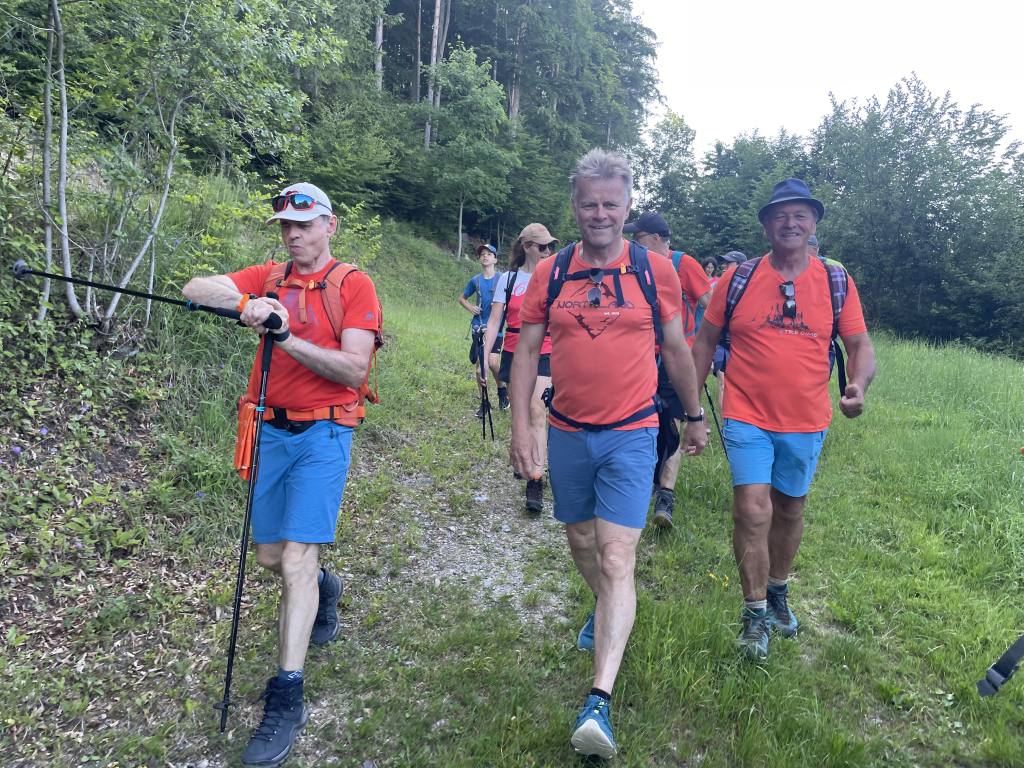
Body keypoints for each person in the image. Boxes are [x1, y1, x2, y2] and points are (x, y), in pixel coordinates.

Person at [510, 150, 707, 758]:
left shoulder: (655, 271)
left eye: (611, 204)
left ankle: (599, 699)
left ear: (627, 207)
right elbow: (526, 352)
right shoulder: (552, 273)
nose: (600, 214)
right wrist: (521, 428)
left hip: (632, 431)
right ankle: (607, 608)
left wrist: (695, 414)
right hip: (568, 431)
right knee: (582, 543)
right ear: (575, 206)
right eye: (590, 204)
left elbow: (676, 349)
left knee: (618, 556)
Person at [182, 182, 381, 766]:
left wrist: (286, 337)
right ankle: (325, 588)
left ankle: (287, 695)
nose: (293, 234)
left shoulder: (354, 285)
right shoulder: (270, 277)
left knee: (295, 558)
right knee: (272, 555)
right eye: (286, 226)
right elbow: (195, 287)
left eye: (304, 223)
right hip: (269, 430)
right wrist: (247, 304)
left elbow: (354, 369)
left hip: (326, 430)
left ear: (330, 225)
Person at [691, 178, 876, 660]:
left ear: (813, 224)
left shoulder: (835, 280)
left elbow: (859, 345)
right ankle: (754, 614)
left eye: (800, 215)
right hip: (745, 412)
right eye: (780, 215)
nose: (790, 223)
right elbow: (705, 341)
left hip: (807, 418)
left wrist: (858, 386)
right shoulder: (739, 278)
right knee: (752, 509)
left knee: (790, 508)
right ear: (766, 225)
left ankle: (777, 591)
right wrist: (692, 408)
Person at [623, 210, 712, 529]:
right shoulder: (633, 265)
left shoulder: (684, 264)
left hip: (676, 357)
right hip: (641, 358)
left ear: (657, 238)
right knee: (643, 422)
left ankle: (666, 495)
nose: (634, 243)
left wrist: (705, 348)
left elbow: (711, 306)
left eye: (639, 238)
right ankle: (645, 480)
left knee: (674, 422)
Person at [481, 223, 557, 513]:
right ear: (527, 247)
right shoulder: (509, 279)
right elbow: (493, 321)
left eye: (551, 246)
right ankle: (524, 457)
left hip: (546, 349)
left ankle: (536, 479)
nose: (548, 251)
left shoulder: (554, 277)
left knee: (537, 409)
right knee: (521, 411)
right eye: (543, 246)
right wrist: (485, 357)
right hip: (514, 350)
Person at [459, 244, 507, 413]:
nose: (485, 256)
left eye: (489, 254)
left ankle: (502, 391)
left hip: (496, 328)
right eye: (482, 254)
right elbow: (462, 298)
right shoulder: (475, 280)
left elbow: (511, 300)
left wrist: (503, 306)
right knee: (480, 369)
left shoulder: (502, 279)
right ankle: (484, 403)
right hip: (478, 328)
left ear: (495, 259)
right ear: (479, 259)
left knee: (493, 363)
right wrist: (471, 307)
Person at [711, 251, 747, 412]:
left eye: (729, 263)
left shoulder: (753, 288)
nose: (724, 266)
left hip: (743, 346)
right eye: (724, 263)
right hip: (722, 343)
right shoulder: (718, 285)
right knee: (723, 382)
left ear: (741, 265)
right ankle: (725, 421)